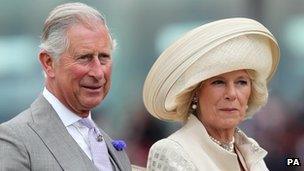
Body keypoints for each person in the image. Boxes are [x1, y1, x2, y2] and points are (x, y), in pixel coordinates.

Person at [0, 3, 132, 171]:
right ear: (48, 63)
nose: (98, 73)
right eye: (85, 57)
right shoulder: (16, 141)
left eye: (104, 57)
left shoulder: (109, 146)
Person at [143, 18, 280, 171]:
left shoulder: (250, 150)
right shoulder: (172, 151)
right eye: (218, 82)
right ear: (195, 92)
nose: (232, 94)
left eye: (241, 82)